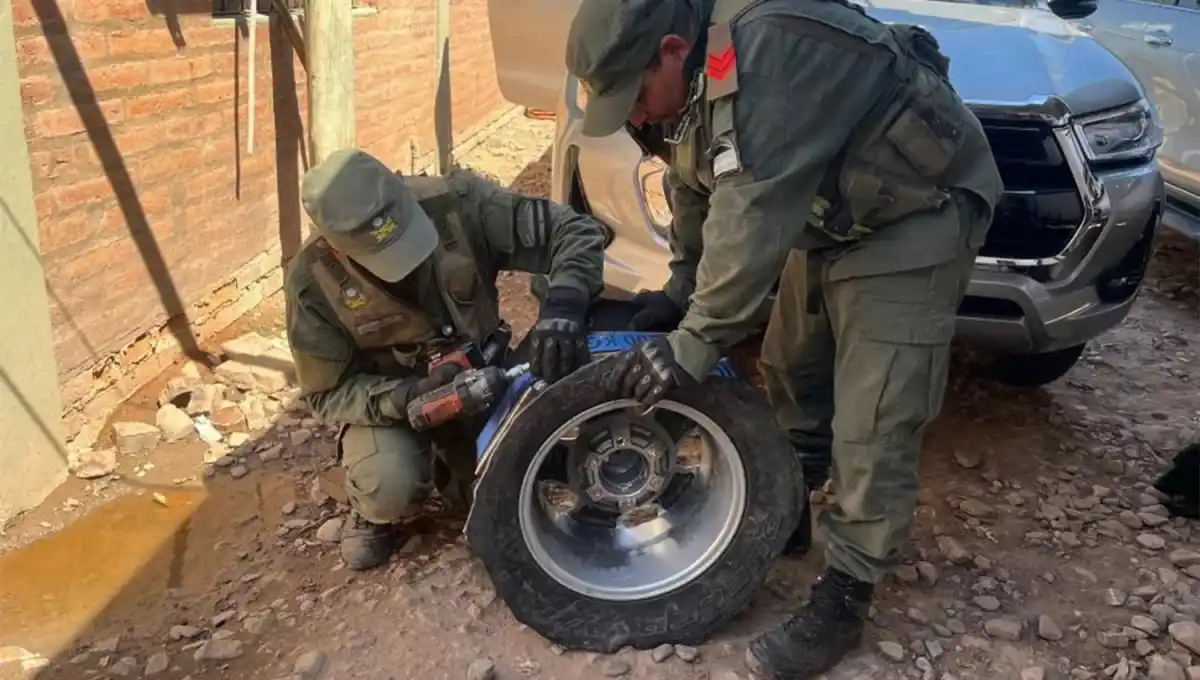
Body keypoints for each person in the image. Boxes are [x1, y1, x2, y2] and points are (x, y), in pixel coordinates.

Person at [565, 0, 1004, 676]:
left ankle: (848, 589)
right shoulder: (687, 87)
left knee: (875, 410)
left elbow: (750, 217)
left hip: (918, 211)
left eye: (635, 95)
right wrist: (680, 291)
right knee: (792, 366)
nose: (635, 117)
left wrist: (694, 342)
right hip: (832, 212)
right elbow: (693, 184)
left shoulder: (765, 55)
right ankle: (791, 503)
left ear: (673, 50)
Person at [284, 148, 608, 571]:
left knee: (494, 493)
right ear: (336, 246)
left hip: (487, 380)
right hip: (399, 407)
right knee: (389, 486)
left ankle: (463, 464)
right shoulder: (313, 281)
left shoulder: (457, 204)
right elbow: (327, 394)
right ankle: (372, 508)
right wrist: (407, 398)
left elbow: (575, 231)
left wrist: (564, 305)